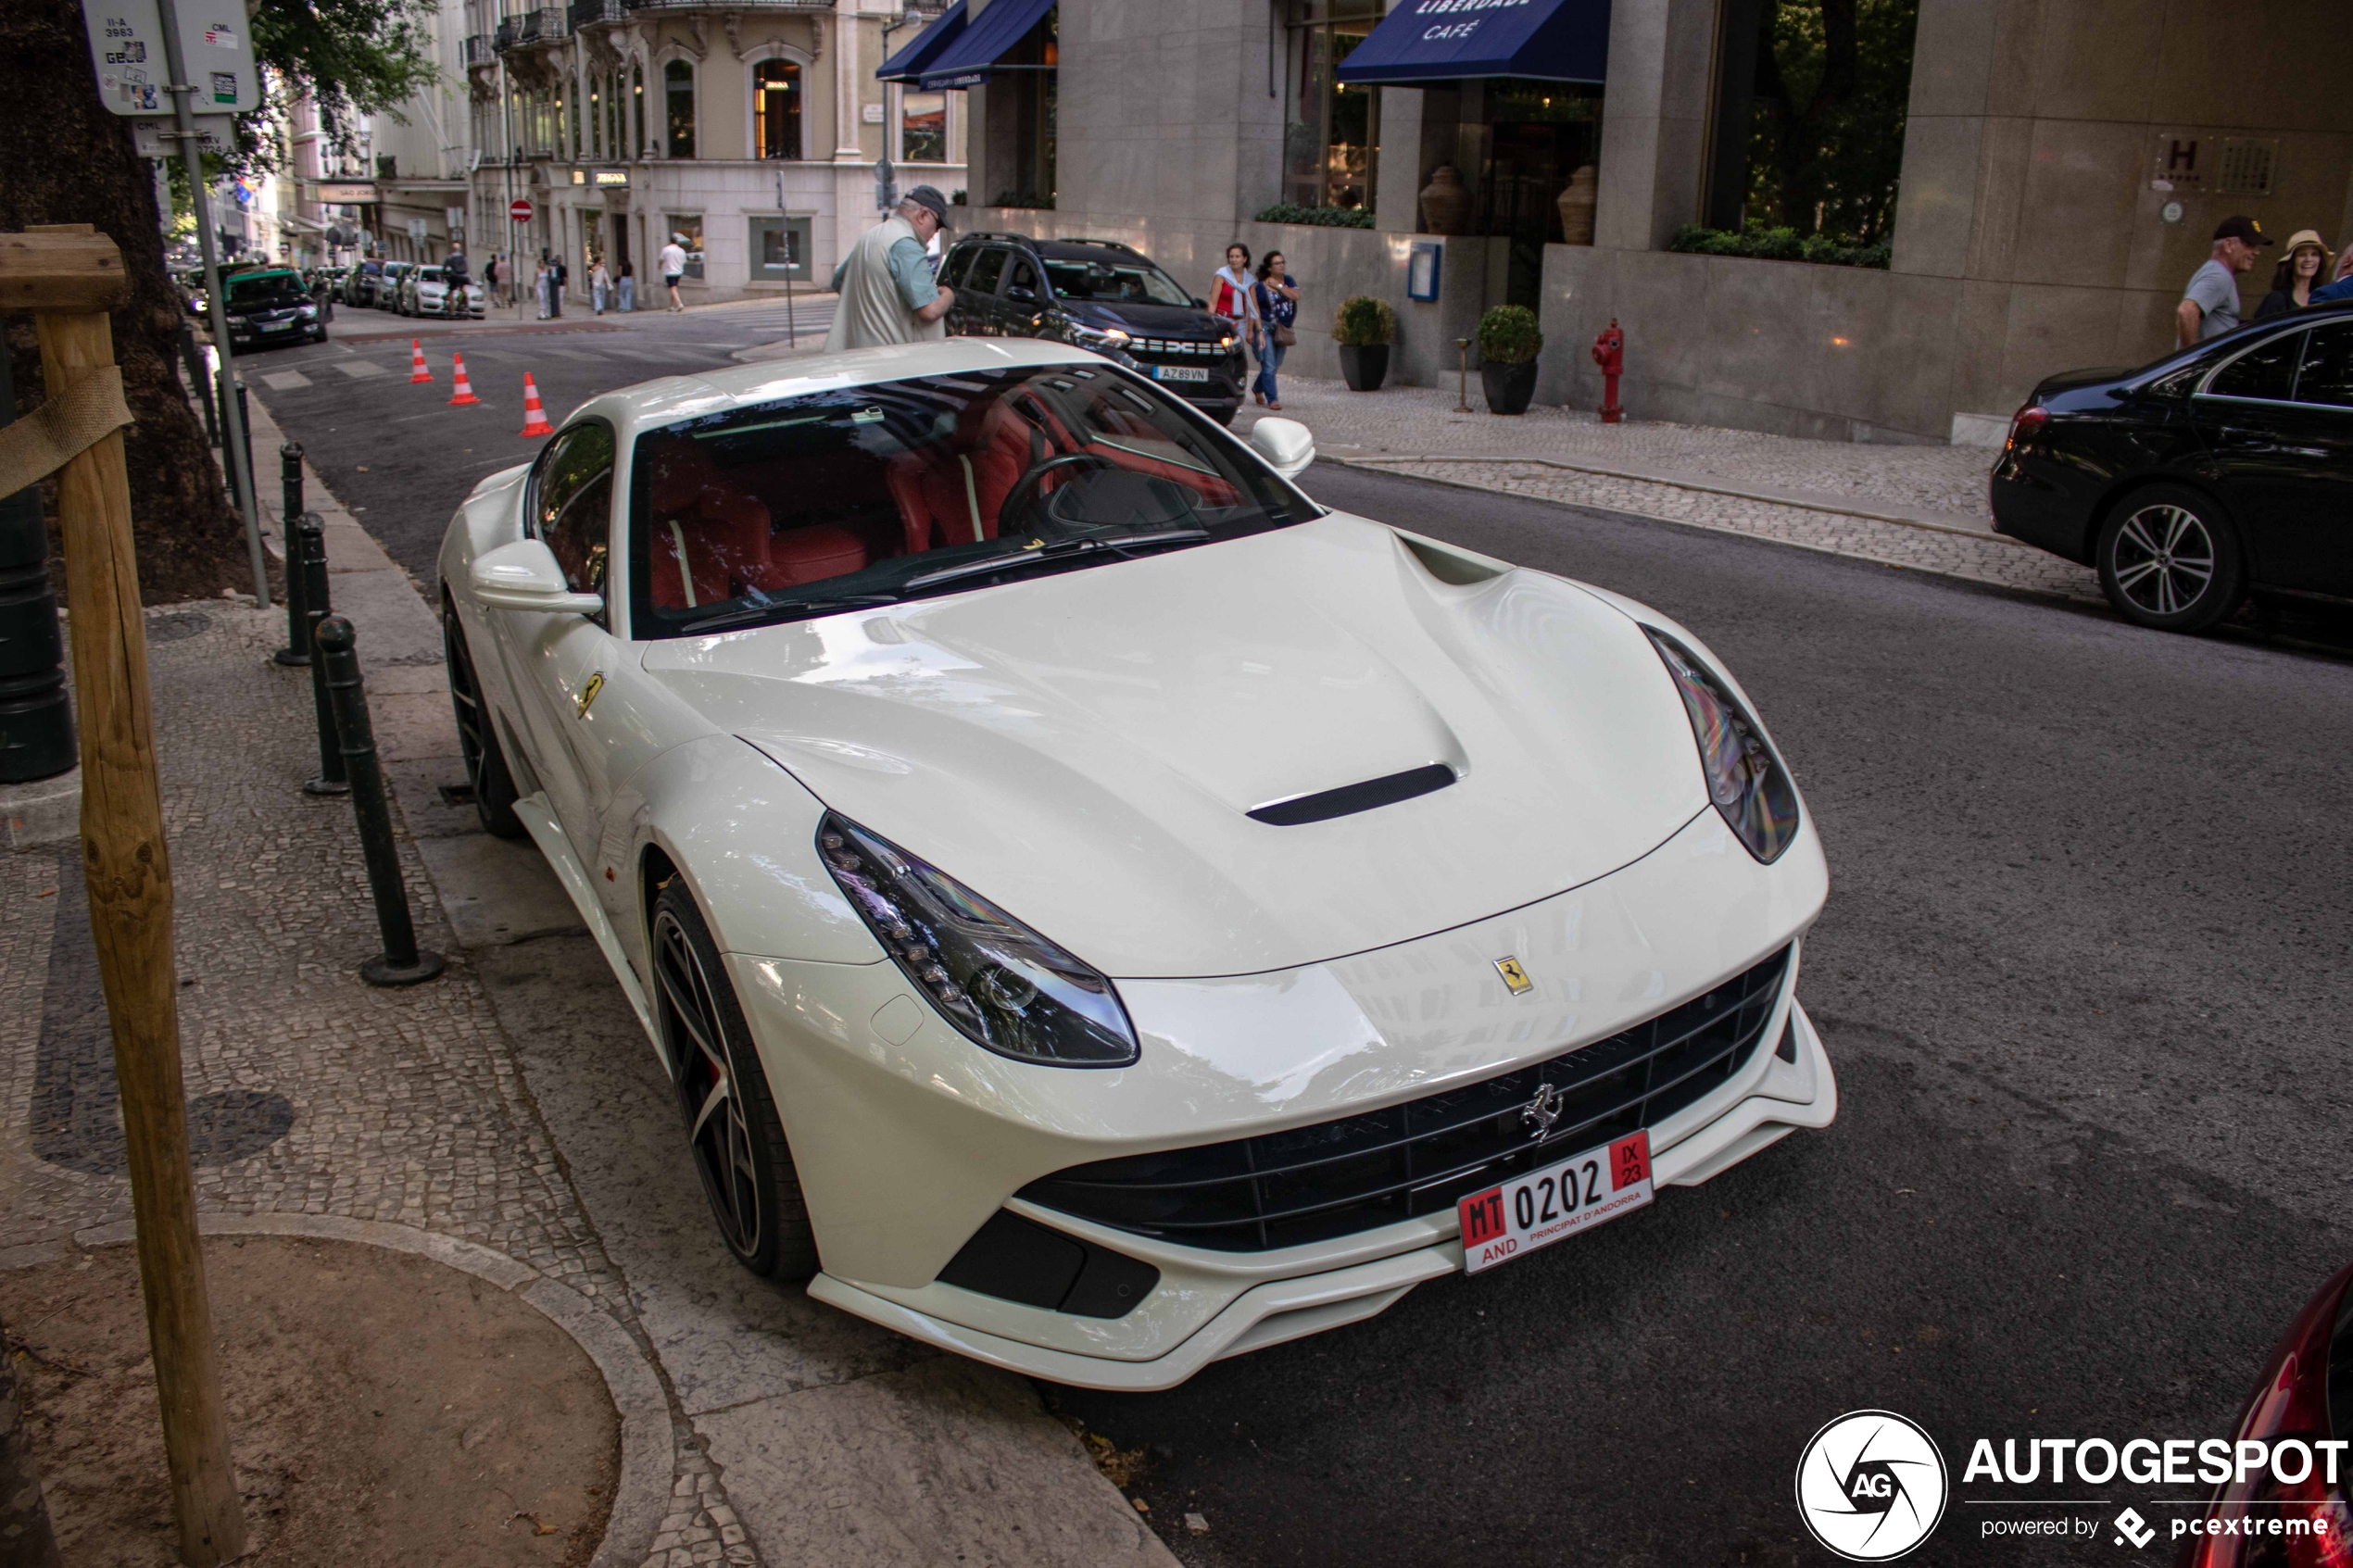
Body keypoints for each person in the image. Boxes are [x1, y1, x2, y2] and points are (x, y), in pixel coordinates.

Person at [824, 184, 956, 350]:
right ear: (923, 215)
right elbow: (930, 310)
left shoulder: (871, 236)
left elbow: (839, 281)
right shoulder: (906, 245)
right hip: (892, 359)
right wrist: (948, 296)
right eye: (937, 225)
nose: (936, 233)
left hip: (858, 354)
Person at [2176, 215, 2270, 346]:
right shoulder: (2219, 275)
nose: (2256, 252)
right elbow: (2186, 311)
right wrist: (2190, 359)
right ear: (2228, 244)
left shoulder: (2215, 271)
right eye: (2249, 244)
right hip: (2206, 365)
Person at [1251, 251, 1298, 410]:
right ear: (1270, 268)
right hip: (1265, 327)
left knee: (1276, 364)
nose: (1281, 265)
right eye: (1277, 263)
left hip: (1282, 328)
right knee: (1269, 364)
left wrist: (1278, 286)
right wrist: (1253, 331)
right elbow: (1254, 308)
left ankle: (1257, 388)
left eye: (1282, 262)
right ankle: (1273, 399)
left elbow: (1296, 295)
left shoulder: (1288, 280)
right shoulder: (1260, 286)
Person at [2253, 231, 2332, 320]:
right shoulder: (2277, 299)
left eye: (2314, 254)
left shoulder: (2322, 298)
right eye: (2302, 255)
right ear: (2291, 262)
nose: (2309, 259)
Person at [1211, 243, 1259, 356]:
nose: (1234, 260)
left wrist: (1250, 330)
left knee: (1238, 353)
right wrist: (1210, 323)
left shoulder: (1249, 280)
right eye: (1231, 256)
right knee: (1222, 352)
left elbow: (1253, 307)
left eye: (1237, 256)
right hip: (1222, 319)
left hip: (1240, 322)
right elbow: (1213, 302)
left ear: (1245, 259)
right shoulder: (1221, 275)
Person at [660, 233, 688, 312]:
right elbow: (684, 261)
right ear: (677, 242)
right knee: (674, 288)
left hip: (670, 271)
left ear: (670, 241)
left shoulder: (666, 249)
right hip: (679, 271)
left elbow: (661, 260)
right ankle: (671, 305)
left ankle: (679, 304)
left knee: (672, 288)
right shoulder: (681, 250)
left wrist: (660, 266)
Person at [549, 254, 566, 319]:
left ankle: (560, 310)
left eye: (560, 259)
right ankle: (556, 310)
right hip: (555, 285)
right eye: (557, 259)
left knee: (561, 298)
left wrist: (566, 285)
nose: (558, 260)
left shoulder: (563, 268)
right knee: (556, 298)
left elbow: (565, 277)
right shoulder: (553, 268)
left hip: (561, 284)